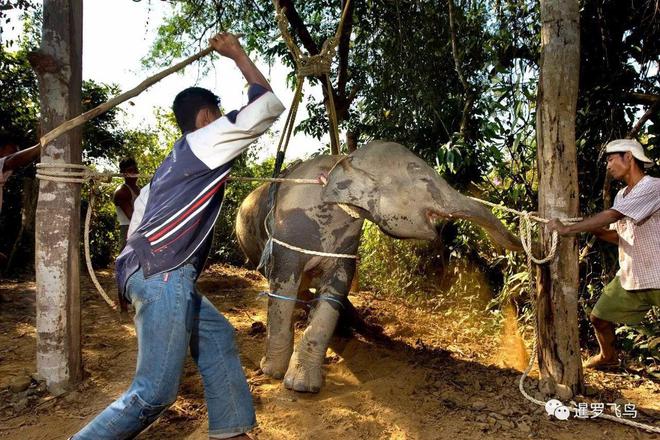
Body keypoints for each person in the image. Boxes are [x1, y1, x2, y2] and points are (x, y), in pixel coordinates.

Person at [71, 33, 285, 439]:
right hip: (165, 275)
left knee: (217, 334)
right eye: (219, 115)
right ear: (207, 117)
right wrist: (237, 52)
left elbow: (136, 230)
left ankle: (233, 430)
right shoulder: (205, 140)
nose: (225, 121)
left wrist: (136, 280)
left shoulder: (169, 166)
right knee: (153, 393)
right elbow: (268, 105)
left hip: (151, 272)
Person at [548, 139, 659, 370]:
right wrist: (593, 228)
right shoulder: (621, 196)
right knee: (599, 317)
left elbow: (612, 216)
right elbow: (618, 236)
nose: (607, 165)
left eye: (611, 159)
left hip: (658, 275)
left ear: (628, 157)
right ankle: (608, 356)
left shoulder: (653, 186)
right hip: (633, 276)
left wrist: (569, 229)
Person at [0, 134, 40, 266]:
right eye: (12, 150)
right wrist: (41, 145)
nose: (16, 153)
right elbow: (11, 160)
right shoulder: (5, 163)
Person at [113, 157, 140, 314]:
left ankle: (136, 301)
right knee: (124, 267)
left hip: (139, 230)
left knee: (139, 267)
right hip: (128, 230)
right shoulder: (122, 191)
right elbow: (133, 216)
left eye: (135, 170)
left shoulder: (139, 189)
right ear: (123, 173)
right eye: (130, 171)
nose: (134, 173)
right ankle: (123, 308)